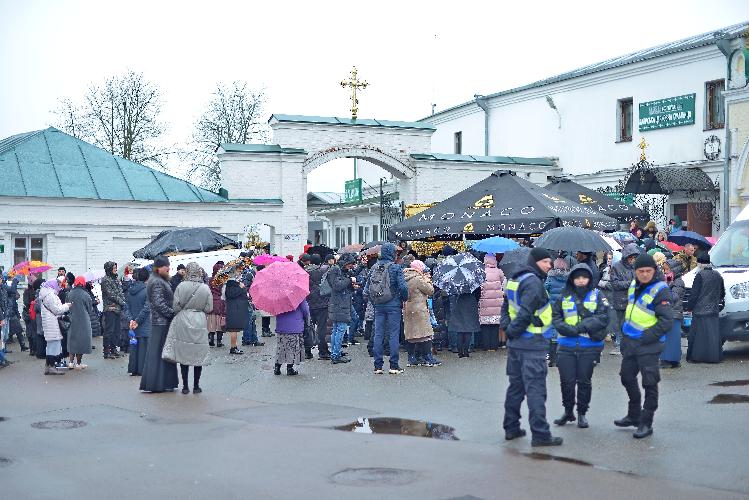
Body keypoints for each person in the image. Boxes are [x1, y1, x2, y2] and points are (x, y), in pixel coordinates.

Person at [501, 247, 562, 447]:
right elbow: (525, 312)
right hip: (532, 343)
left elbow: (506, 306)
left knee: (516, 387)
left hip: (517, 345)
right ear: (535, 262)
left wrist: (507, 328)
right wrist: (512, 330)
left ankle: (511, 428)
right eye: (545, 261)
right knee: (536, 389)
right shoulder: (534, 283)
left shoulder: (515, 279)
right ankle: (540, 434)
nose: (549, 265)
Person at [615, 253, 673, 439]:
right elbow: (631, 309)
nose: (645, 274)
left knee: (650, 383)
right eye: (641, 271)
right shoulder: (634, 285)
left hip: (649, 344)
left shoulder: (660, 289)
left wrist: (648, 337)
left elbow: (666, 321)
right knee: (626, 377)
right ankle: (633, 415)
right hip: (631, 342)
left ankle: (646, 423)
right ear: (635, 272)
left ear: (654, 271)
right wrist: (624, 329)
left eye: (648, 271)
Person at [551, 264, 608, 429]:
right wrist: (566, 329)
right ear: (572, 279)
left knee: (584, 381)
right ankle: (568, 411)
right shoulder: (564, 296)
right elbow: (556, 316)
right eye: (577, 277)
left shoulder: (597, 295)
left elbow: (604, 316)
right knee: (566, 382)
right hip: (566, 345)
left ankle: (582, 413)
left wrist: (583, 327)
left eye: (584, 277)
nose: (581, 280)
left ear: (590, 279)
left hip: (588, 346)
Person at [364, 243, 409, 374]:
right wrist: (403, 299)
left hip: (378, 305)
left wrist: (375, 302)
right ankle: (394, 365)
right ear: (392, 253)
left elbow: (367, 290)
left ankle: (378, 366)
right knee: (393, 335)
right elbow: (403, 287)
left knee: (378, 334)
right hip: (393, 305)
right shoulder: (396, 268)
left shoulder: (374, 267)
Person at [171, 262, 213, 394]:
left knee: (184, 353)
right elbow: (209, 308)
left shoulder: (181, 286)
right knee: (197, 354)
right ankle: (196, 386)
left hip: (183, 320)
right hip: (199, 320)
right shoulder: (205, 288)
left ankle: (185, 386)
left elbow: (175, 306)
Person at [140, 256, 179, 393]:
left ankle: (163, 382)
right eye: (166, 266)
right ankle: (156, 383)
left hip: (162, 321)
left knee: (162, 353)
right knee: (158, 353)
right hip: (160, 322)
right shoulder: (157, 281)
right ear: (158, 267)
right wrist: (172, 313)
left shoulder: (159, 279)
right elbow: (158, 303)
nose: (168, 268)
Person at [599, 243, 639, 356]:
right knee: (619, 324)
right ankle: (618, 345)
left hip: (631, 300)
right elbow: (615, 284)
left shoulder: (634, 267)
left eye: (634, 258)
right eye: (631, 257)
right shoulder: (617, 266)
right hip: (619, 300)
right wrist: (630, 283)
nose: (633, 260)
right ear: (627, 256)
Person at [686, 253, 725, 363]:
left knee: (699, 336)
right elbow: (722, 293)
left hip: (700, 310)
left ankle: (697, 357)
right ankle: (714, 357)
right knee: (712, 336)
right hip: (713, 310)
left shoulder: (700, 275)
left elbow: (694, 294)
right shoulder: (718, 275)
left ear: (700, 263)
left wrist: (689, 307)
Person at [403, 260, 439, 366]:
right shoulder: (418, 279)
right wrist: (427, 279)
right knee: (425, 334)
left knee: (412, 335)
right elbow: (430, 291)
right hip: (419, 310)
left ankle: (412, 357)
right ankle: (428, 357)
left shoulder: (405, 277)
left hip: (408, 309)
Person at [327, 252, 358, 365]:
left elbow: (341, 285)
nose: (351, 266)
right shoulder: (335, 270)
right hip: (340, 304)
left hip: (340, 303)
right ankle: (335, 355)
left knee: (336, 329)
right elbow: (337, 286)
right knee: (340, 329)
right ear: (345, 263)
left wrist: (352, 286)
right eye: (350, 264)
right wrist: (350, 281)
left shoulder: (340, 270)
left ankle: (336, 352)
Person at [39, 280, 71, 375]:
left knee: (50, 345)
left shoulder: (46, 294)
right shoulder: (50, 295)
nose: (59, 286)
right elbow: (57, 310)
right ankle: (52, 367)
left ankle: (48, 366)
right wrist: (67, 306)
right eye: (58, 284)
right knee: (54, 345)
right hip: (52, 323)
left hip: (49, 322)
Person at [273, 299, 310, 376]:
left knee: (281, 347)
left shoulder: (278, 296)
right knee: (292, 348)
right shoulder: (298, 295)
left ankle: (277, 367)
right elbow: (305, 310)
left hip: (281, 325)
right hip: (294, 325)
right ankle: (289, 368)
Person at [660, 259, 685, 368]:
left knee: (671, 339)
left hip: (674, 313)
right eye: (664, 269)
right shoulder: (670, 280)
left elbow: (674, 296)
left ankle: (668, 360)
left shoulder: (678, 281)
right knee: (671, 338)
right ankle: (673, 360)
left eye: (667, 269)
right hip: (670, 313)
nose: (665, 272)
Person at [545, 258, 569, 366]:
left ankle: (552, 360)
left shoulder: (550, 278)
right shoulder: (568, 278)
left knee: (552, 331)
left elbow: (545, 289)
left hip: (552, 308)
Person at [306, 254, 331, 360]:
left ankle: (307, 351)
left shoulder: (304, 272)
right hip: (322, 303)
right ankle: (323, 351)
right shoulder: (323, 272)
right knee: (322, 328)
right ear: (320, 262)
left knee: (308, 327)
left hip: (309, 303)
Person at [127, 267, 151, 376]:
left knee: (134, 346)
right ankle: (142, 370)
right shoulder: (147, 291)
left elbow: (126, 307)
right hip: (143, 323)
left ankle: (133, 369)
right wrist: (137, 321)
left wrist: (131, 319)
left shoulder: (130, 290)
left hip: (132, 323)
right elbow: (147, 308)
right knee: (143, 347)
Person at [478, 254, 505, 351]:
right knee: (495, 326)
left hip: (484, 302)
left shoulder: (481, 271)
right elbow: (503, 283)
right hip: (497, 303)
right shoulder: (499, 271)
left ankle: (486, 346)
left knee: (485, 326)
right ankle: (494, 346)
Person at [66, 276, 94, 369]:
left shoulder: (70, 293)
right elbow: (90, 309)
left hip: (71, 319)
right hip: (83, 321)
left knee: (72, 340)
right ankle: (78, 363)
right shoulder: (85, 294)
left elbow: (66, 305)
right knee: (81, 341)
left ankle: (70, 362)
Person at [101, 261, 126, 359]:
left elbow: (120, 291)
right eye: (114, 268)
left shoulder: (116, 279)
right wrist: (122, 301)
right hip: (110, 308)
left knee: (117, 330)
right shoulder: (105, 280)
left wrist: (123, 300)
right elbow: (110, 294)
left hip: (118, 308)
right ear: (109, 269)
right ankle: (107, 351)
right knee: (109, 331)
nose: (116, 269)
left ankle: (114, 349)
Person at [223, 277, 249, 355]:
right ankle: (233, 348)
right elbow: (232, 294)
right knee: (233, 329)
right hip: (234, 310)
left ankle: (234, 347)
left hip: (235, 309)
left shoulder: (232, 285)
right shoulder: (231, 285)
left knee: (235, 330)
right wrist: (241, 288)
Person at [208, 262, 226, 348]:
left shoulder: (210, 279)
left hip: (211, 301)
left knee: (212, 321)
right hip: (220, 301)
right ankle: (219, 341)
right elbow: (223, 292)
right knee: (220, 322)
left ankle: (211, 339)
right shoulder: (222, 280)